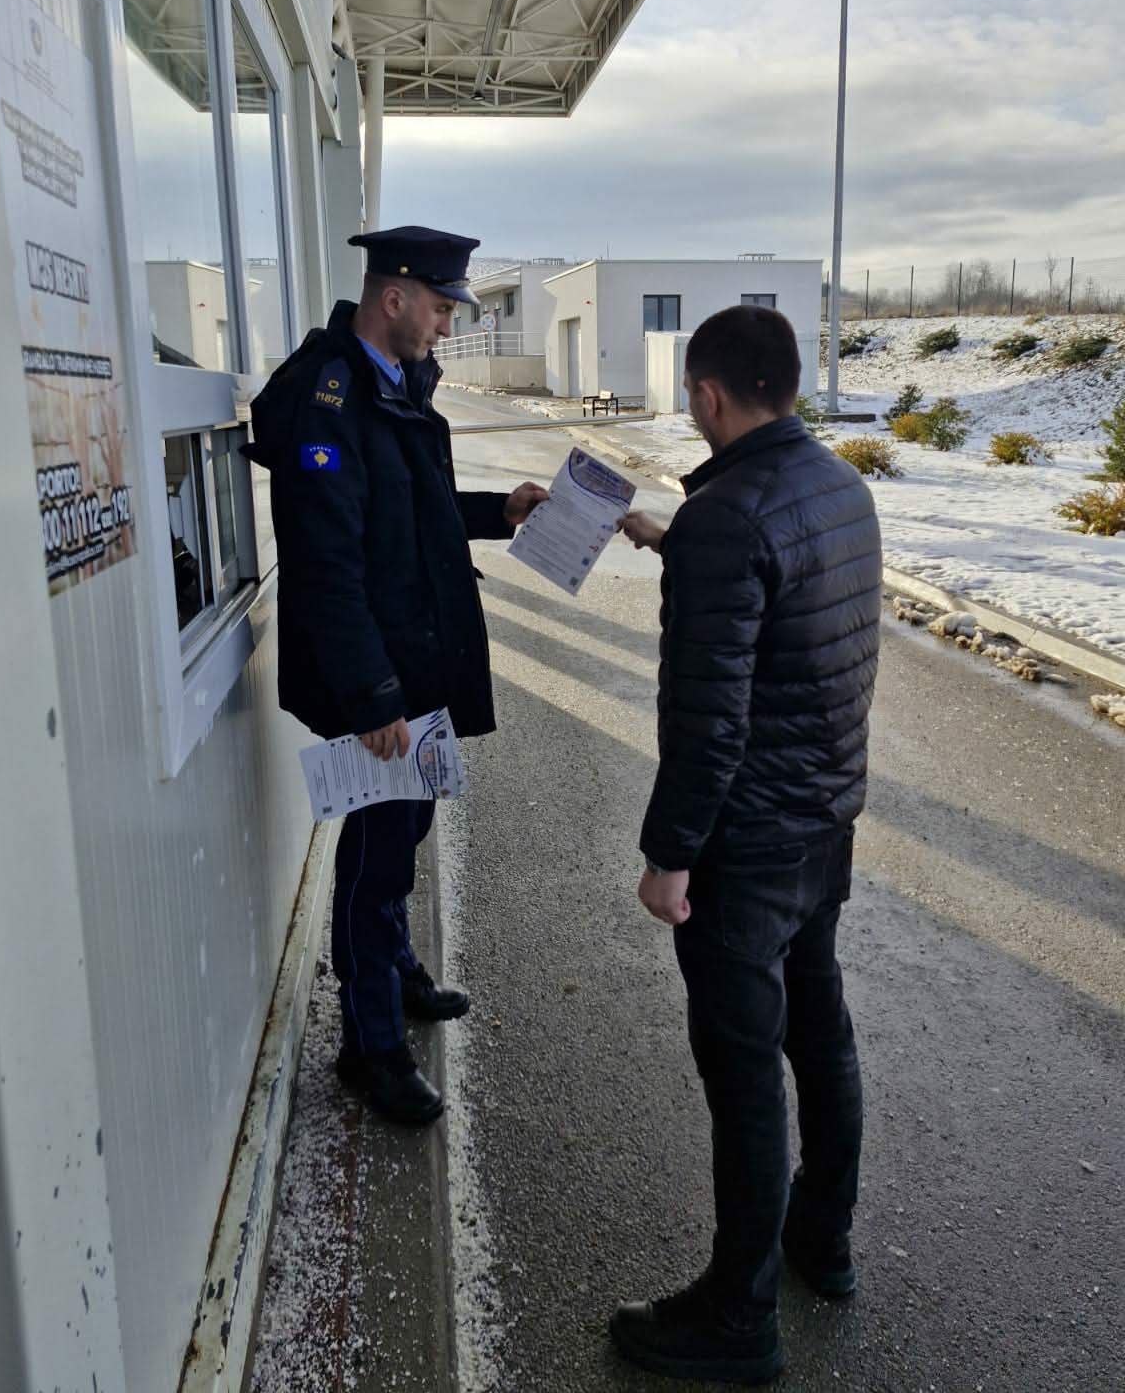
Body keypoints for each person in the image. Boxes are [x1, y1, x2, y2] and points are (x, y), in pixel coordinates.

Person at [611, 305, 881, 1385]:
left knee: (745, 1075)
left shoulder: (729, 517)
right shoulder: (837, 485)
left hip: (747, 846)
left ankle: (738, 1318)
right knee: (820, 1032)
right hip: (822, 824)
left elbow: (709, 718)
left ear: (709, 395)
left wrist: (669, 855)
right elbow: (784, 598)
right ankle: (824, 1238)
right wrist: (670, 537)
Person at [244, 226, 547, 1126]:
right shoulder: (329, 399)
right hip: (374, 679)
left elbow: (413, 508)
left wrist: (501, 510)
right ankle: (369, 1047)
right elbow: (326, 564)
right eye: (443, 308)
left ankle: (398, 971)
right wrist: (374, 697)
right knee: (373, 863)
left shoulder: (393, 382)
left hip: (411, 662)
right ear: (395, 298)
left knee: (405, 833)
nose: (449, 325)